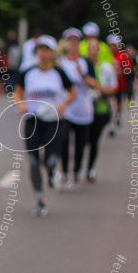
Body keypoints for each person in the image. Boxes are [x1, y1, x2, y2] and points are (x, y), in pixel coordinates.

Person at [14, 36, 76, 217]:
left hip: (54, 121)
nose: (42, 53)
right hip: (33, 120)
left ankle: (50, 170)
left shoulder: (59, 73)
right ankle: (40, 199)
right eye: (40, 50)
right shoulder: (28, 72)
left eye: (46, 49)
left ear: (52, 52)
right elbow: (17, 93)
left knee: (49, 160)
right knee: (33, 161)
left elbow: (73, 93)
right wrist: (20, 104)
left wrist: (64, 104)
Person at [57, 28, 95, 191]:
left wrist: (83, 76)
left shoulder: (86, 63)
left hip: (83, 110)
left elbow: (96, 84)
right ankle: (64, 172)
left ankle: (76, 171)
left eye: (76, 41)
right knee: (64, 142)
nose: (73, 44)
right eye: (70, 41)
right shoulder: (60, 63)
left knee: (81, 144)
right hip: (66, 110)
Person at [86, 39, 117, 183]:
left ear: (98, 50)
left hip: (100, 109)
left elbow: (114, 88)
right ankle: (74, 170)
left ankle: (90, 169)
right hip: (83, 110)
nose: (92, 50)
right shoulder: (82, 66)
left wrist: (100, 90)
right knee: (81, 141)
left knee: (94, 141)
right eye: (90, 48)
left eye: (94, 48)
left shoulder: (106, 68)